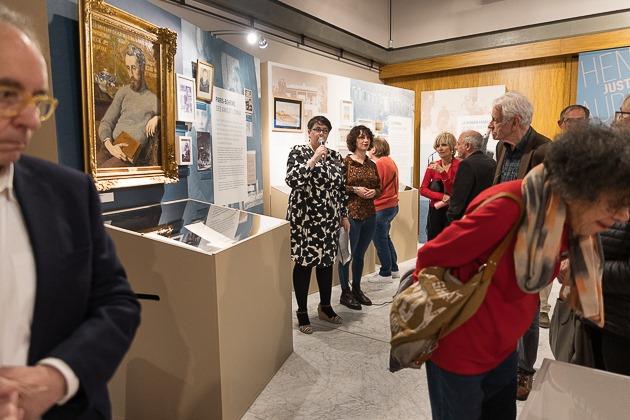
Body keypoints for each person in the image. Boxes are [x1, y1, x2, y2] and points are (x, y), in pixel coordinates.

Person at [417, 123, 630, 420]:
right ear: (581, 188)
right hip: (462, 350)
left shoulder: (566, 222)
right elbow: (430, 257)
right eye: (614, 204)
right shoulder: (508, 206)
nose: (622, 215)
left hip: (504, 348)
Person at [0, 7, 140, 419]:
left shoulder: (68, 193)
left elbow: (117, 302)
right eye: (7, 95)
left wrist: (57, 377)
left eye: (38, 101)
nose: (31, 120)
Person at [488, 91, 551, 400]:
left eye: (495, 120)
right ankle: (502, 359)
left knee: (527, 310)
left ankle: (524, 370)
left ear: (514, 122)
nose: (490, 125)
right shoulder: (501, 147)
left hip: (530, 245)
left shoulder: (545, 151)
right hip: (501, 242)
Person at [286, 115, 349, 334]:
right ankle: (302, 312)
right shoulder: (298, 152)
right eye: (317, 129)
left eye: (325, 130)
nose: (321, 133)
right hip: (305, 220)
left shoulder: (335, 156)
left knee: (326, 263)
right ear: (309, 132)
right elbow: (292, 180)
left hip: (328, 220)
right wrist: (313, 159)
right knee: (304, 264)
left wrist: (344, 215)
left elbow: (341, 189)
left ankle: (325, 307)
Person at [538, 104, 591, 330]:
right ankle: (542, 307)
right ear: (561, 124)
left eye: (581, 122)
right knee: (548, 263)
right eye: (570, 122)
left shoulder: (597, 153)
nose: (576, 127)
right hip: (553, 217)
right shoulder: (548, 153)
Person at [338, 125, 381, 310]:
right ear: (353, 140)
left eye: (367, 137)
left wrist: (374, 192)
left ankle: (356, 288)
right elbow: (338, 187)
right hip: (351, 215)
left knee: (360, 255)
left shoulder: (372, 164)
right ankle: (345, 292)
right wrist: (355, 189)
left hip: (370, 214)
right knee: (346, 256)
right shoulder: (345, 162)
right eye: (361, 137)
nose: (365, 140)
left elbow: (379, 188)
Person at [98, 44, 159, 168]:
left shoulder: (153, 99)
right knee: (88, 171)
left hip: (129, 154)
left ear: (142, 67)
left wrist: (158, 118)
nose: (130, 73)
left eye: (134, 68)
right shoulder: (123, 92)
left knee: (99, 174)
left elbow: (171, 117)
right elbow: (106, 122)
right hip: (110, 148)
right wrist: (110, 146)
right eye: (127, 68)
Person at [446, 130, 496, 222]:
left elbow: (459, 197)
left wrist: (451, 218)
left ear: (468, 146)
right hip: (486, 215)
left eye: (458, 144)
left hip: (467, 218)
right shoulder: (492, 162)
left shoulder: (466, 164)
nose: (456, 147)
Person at [369, 137, 400, 281]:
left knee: (380, 241)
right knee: (385, 238)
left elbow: (376, 186)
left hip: (382, 207)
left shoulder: (380, 163)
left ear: (374, 149)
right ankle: (393, 269)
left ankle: (385, 272)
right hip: (391, 206)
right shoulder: (389, 161)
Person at [420, 132, 460, 241]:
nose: (440, 148)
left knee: (450, 242)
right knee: (433, 241)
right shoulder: (433, 165)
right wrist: (441, 197)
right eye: (437, 146)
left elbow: (454, 190)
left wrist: (442, 173)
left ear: (451, 147)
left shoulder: (460, 165)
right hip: (435, 211)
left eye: (444, 145)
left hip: (452, 211)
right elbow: (423, 189)